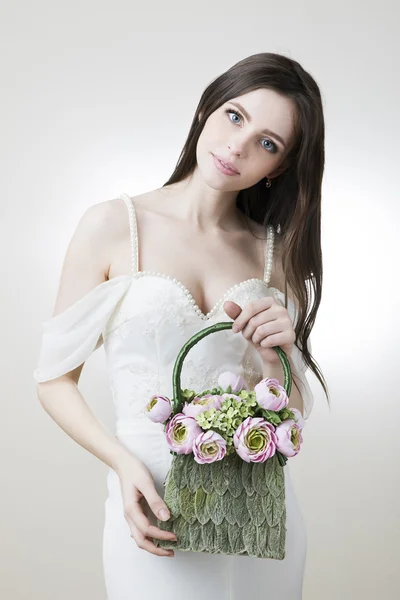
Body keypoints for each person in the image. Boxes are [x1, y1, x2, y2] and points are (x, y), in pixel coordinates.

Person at [33, 52, 329, 599]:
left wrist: (274, 357)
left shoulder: (275, 252)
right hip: (150, 501)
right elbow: (53, 380)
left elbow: (289, 409)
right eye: (235, 116)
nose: (238, 145)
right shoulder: (112, 225)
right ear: (205, 111)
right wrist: (122, 463)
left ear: (280, 166)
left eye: (268, 143)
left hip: (254, 509)